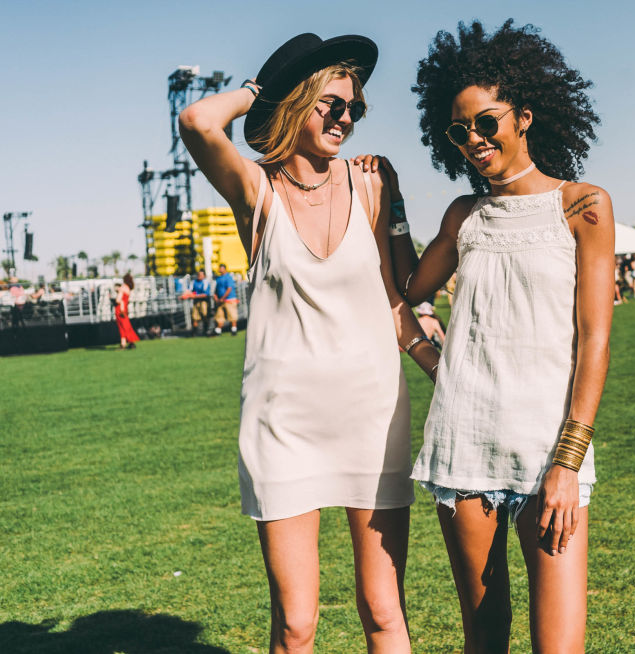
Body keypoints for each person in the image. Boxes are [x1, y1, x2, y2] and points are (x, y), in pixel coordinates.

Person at [179, 33, 440, 654]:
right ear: (295, 104)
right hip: (283, 424)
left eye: (353, 107)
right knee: (296, 624)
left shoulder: (374, 184)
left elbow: (398, 300)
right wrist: (258, 90)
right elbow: (196, 120)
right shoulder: (255, 190)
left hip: (372, 416)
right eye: (329, 104)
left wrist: (444, 367)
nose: (345, 118)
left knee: (384, 611)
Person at [380, 20, 613, 653]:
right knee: (485, 641)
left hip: (549, 455)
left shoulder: (583, 205)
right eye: (459, 130)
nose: (474, 139)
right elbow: (408, 289)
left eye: (487, 122)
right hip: (464, 449)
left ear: (525, 116)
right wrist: (391, 204)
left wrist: (568, 462)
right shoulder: (463, 215)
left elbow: (594, 342)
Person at [212, 263, 238, 335]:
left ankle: (234, 329)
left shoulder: (228, 277)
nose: (219, 270)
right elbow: (216, 289)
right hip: (221, 300)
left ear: (224, 269)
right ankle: (218, 330)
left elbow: (229, 288)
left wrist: (223, 298)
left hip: (229, 299)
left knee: (232, 315)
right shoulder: (218, 278)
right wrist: (216, 298)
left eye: (221, 268)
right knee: (220, 315)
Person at [115, 273, 140, 349]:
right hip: (125, 309)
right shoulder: (128, 288)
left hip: (120, 309)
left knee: (122, 327)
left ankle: (128, 343)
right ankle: (125, 343)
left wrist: (117, 292)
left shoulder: (123, 287)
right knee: (126, 326)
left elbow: (118, 300)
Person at [190, 270, 210, 335]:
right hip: (196, 302)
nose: (199, 276)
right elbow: (191, 291)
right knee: (194, 317)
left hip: (203, 301)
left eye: (201, 275)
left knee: (205, 315)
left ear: (204, 276)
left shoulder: (205, 283)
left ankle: (206, 330)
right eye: (198, 275)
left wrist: (195, 296)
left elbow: (205, 294)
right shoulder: (194, 282)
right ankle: (194, 332)